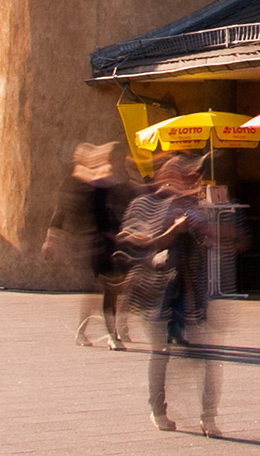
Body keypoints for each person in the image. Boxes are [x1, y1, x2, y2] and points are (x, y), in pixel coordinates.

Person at [118, 155, 222, 436]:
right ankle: (158, 410)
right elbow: (135, 243)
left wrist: (208, 231)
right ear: (168, 175)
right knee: (160, 353)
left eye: (194, 178)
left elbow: (210, 240)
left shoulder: (191, 205)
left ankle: (209, 415)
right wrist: (172, 231)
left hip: (189, 292)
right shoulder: (143, 204)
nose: (192, 183)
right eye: (187, 177)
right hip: (154, 291)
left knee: (207, 355)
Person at [45, 141, 140, 346]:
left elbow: (121, 204)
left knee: (101, 292)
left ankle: (84, 332)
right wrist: (50, 241)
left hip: (110, 242)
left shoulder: (106, 182)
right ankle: (112, 335)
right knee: (108, 289)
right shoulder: (79, 184)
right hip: (92, 243)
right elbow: (61, 213)